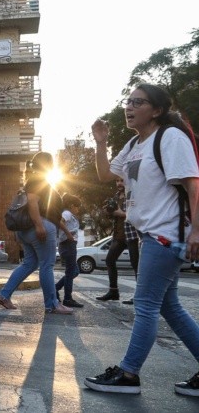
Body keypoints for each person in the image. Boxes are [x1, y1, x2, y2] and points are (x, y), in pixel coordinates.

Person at [85, 85, 199, 396]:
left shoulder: (170, 138)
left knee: (146, 305)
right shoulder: (136, 143)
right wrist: (101, 142)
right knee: (169, 307)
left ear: (157, 110)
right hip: (152, 233)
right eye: (128, 101)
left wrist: (197, 231)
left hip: (164, 233)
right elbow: (106, 175)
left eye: (138, 102)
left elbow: (193, 184)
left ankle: (128, 373)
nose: (129, 107)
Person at [0, 152, 73, 314]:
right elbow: (32, 202)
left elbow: (50, 210)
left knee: (30, 263)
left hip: (28, 230)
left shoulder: (36, 179)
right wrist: (39, 225)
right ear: (48, 163)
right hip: (40, 227)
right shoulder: (38, 179)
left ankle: (4, 294)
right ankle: (52, 304)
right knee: (47, 265)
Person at [95, 178, 134, 302]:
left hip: (132, 234)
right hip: (118, 235)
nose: (119, 183)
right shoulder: (116, 196)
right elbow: (113, 215)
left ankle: (140, 295)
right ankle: (113, 291)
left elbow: (139, 213)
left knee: (137, 264)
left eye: (122, 180)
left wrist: (121, 213)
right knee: (109, 260)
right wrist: (108, 212)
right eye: (117, 181)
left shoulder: (133, 193)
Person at [55, 194, 83, 308]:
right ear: (72, 205)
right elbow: (59, 222)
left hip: (68, 244)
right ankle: (68, 298)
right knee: (70, 272)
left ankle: (55, 288)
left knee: (74, 271)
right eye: (77, 206)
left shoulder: (69, 214)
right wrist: (68, 234)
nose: (78, 209)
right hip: (67, 244)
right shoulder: (67, 213)